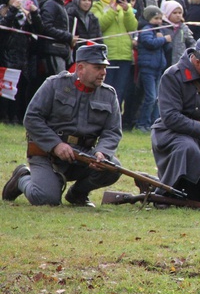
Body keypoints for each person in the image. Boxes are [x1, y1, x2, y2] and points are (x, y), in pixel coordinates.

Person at [2, 44, 122, 207]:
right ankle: (22, 178)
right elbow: (32, 118)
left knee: (112, 168)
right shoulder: (54, 84)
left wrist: (102, 152)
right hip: (48, 155)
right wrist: (55, 145)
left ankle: (78, 194)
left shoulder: (109, 94)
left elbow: (112, 131)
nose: (104, 72)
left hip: (84, 156)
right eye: (98, 67)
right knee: (46, 199)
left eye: (105, 67)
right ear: (80, 68)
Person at [151, 38, 200, 204]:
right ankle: (165, 193)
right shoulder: (173, 76)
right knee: (188, 149)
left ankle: (194, 198)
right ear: (197, 61)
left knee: (195, 149)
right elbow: (170, 116)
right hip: (172, 131)